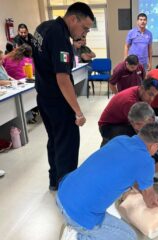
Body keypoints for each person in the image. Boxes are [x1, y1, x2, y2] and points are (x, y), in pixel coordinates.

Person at [57, 122, 158, 240]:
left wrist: (146, 191)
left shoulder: (121, 139)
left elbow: (126, 173)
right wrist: (153, 198)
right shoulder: (146, 161)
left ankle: (78, 228)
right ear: (154, 145)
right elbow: (149, 201)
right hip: (78, 214)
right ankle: (77, 236)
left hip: (63, 192)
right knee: (129, 237)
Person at [31, 2, 94, 191]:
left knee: (55, 140)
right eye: (84, 28)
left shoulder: (44, 27)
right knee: (67, 144)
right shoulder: (60, 38)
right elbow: (63, 79)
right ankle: (67, 190)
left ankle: (55, 181)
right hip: (59, 102)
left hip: (43, 97)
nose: (84, 33)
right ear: (73, 19)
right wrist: (78, 112)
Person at [98, 78, 158, 146]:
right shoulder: (130, 102)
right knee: (137, 138)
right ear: (142, 88)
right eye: (150, 94)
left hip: (122, 121)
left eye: (154, 96)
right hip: (108, 127)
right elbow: (138, 127)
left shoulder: (139, 91)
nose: (152, 99)